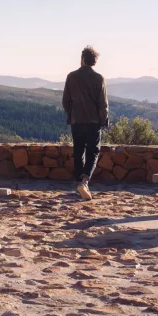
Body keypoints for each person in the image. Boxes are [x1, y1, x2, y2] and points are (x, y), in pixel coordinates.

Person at [62, 46, 109, 201]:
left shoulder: (71, 77)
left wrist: (71, 114)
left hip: (76, 120)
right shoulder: (99, 78)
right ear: (94, 61)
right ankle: (84, 181)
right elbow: (103, 103)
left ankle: (79, 185)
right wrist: (104, 120)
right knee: (93, 152)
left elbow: (65, 101)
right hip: (93, 121)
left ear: (82, 58)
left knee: (78, 151)